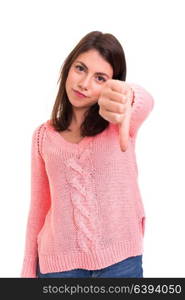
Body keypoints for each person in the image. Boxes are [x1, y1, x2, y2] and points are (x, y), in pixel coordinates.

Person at [21, 31, 154, 278]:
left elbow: (145, 101)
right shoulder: (42, 136)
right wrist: (28, 269)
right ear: (68, 68)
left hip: (121, 263)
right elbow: (38, 208)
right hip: (59, 267)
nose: (84, 83)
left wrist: (126, 96)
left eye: (100, 78)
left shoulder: (120, 125)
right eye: (80, 68)